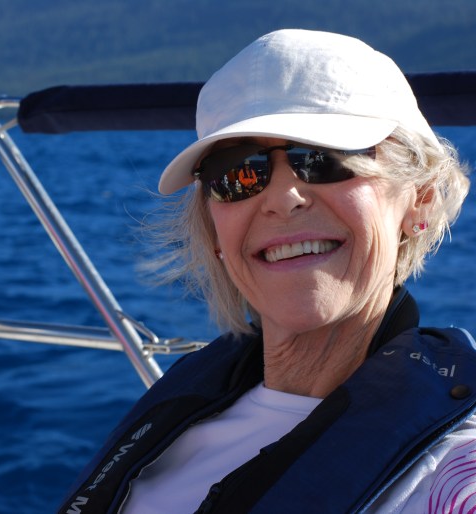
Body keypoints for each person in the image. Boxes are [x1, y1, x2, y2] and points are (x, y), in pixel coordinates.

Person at [58, 29, 474, 513]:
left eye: (323, 159)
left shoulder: (450, 471)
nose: (281, 199)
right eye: (238, 173)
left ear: (419, 199)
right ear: (215, 229)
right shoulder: (189, 403)